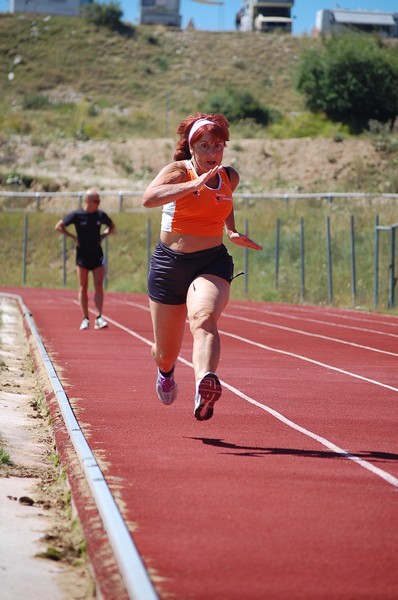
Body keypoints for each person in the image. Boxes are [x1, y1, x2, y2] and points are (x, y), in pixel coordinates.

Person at [142, 113, 262, 421]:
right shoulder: (177, 171)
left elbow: (225, 201)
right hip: (170, 264)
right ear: (191, 147)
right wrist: (194, 183)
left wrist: (231, 231)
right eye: (205, 146)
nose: (212, 153)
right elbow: (149, 198)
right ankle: (165, 372)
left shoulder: (229, 176)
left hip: (211, 261)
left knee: (204, 318)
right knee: (166, 352)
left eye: (218, 145)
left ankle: (204, 384)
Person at [55, 189, 115, 331]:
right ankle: (85, 318)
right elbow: (59, 226)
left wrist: (103, 236)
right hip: (82, 256)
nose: (98, 203)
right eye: (96, 201)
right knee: (83, 287)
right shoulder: (77, 215)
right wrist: (73, 237)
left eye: (99, 201)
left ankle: (99, 317)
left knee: (99, 286)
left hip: (97, 255)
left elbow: (111, 227)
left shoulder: (100, 215)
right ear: (87, 201)